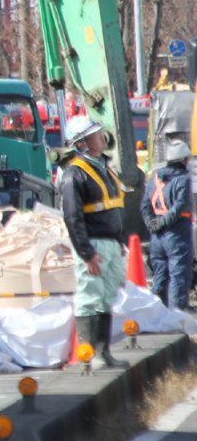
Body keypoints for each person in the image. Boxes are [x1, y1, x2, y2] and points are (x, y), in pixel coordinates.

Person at [59, 115, 128, 368]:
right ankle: (90, 356)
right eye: (95, 135)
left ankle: (103, 352)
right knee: (90, 297)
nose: (102, 137)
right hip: (93, 244)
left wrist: (119, 241)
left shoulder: (104, 168)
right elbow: (72, 217)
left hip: (109, 242)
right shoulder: (74, 174)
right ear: (82, 144)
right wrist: (86, 253)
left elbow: (114, 207)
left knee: (106, 296)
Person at [141, 139, 194, 311]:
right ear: (184, 160)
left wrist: (152, 223)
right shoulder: (183, 179)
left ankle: (157, 312)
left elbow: (145, 205)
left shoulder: (156, 177)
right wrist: (162, 223)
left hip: (157, 237)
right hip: (176, 234)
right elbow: (180, 206)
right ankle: (177, 314)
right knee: (179, 274)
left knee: (160, 275)